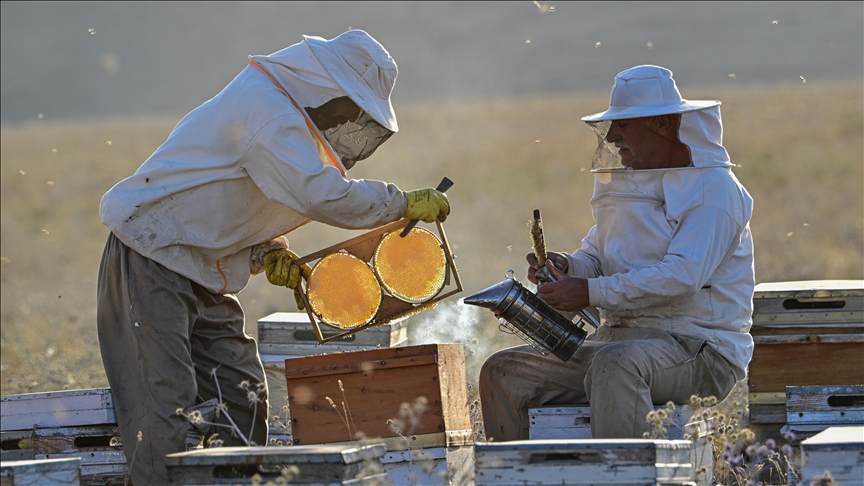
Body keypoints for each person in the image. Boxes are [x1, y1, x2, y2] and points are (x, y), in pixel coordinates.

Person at [97, 30, 450, 485]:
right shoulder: (269, 110)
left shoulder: (279, 115)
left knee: (241, 394)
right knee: (163, 409)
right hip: (151, 259)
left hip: (204, 268)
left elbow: (230, 198)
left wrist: (267, 252)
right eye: (351, 108)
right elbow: (319, 194)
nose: (349, 122)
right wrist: (400, 202)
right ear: (327, 86)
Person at [479, 65, 754, 441]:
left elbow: (683, 276)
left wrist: (588, 292)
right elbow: (597, 258)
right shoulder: (632, 185)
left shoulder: (714, 190)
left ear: (661, 124)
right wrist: (565, 267)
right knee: (505, 370)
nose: (612, 136)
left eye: (623, 124)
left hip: (699, 349)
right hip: (620, 342)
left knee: (617, 366)